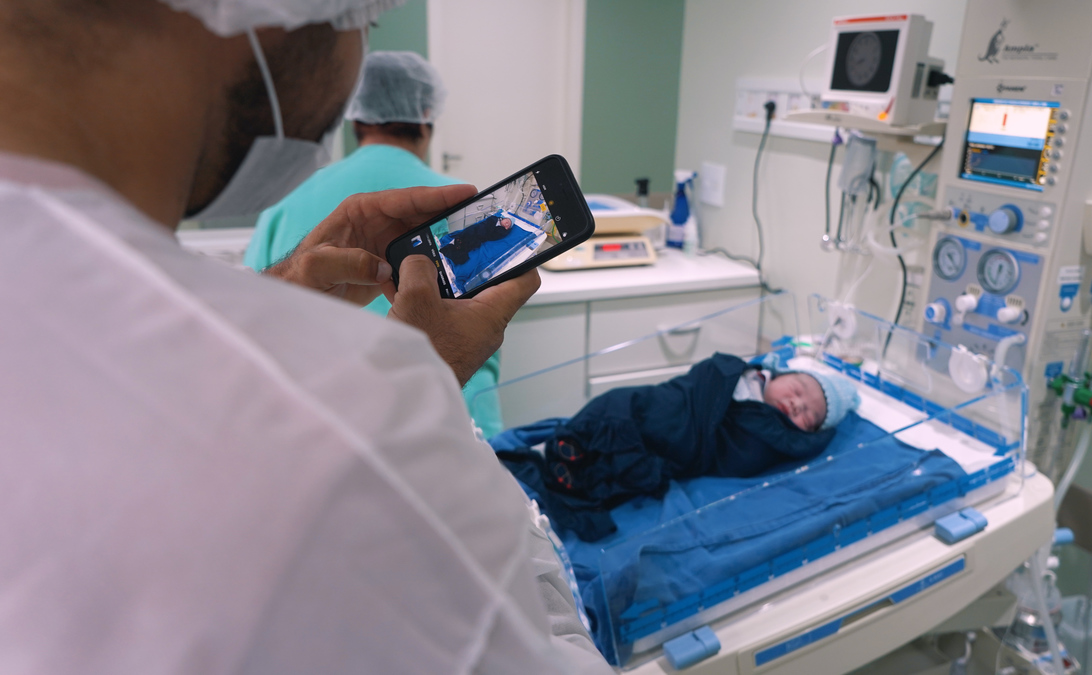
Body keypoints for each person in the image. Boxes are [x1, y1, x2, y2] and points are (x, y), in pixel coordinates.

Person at [0, 1, 610, 673]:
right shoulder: (359, 456)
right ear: (268, 15)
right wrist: (413, 390)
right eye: (365, 19)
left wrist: (273, 302)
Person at [245, 50, 507, 438]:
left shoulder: (286, 201)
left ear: (355, 116)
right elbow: (481, 330)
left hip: (322, 426)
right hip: (451, 420)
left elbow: (251, 315)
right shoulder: (462, 203)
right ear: (427, 114)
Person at [498, 353, 861, 541]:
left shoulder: (770, 436)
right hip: (672, 402)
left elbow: (737, 455)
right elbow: (702, 378)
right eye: (798, 391)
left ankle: (574, 469)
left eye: (810, 416)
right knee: (623, 404)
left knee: (641, 460)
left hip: (686, 441)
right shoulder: (739, 372)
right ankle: (574, 445)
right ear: (779, 374)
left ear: (810, 433)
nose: (797, 405)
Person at [440, 213, 515, 265]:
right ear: (503, 219)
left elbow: (493, 236)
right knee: (468, 232)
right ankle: (456, 244)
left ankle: (457, 247)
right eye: (507, 221)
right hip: (477, 228)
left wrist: (504, 230)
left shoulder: (501, 231)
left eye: (509, 225)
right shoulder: (494, 218)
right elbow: (487, 222)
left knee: (473, 244)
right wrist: (491, 228)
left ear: (507, 228)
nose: (507, 223)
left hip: (482, 236)